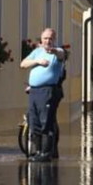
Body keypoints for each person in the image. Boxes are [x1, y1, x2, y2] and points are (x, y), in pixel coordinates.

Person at [20, 28, 66, 162]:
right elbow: (23, 64)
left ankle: (46, 152)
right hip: (33, 91)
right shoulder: (37, 52)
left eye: (50, 38)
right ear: (41, 39)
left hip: (47, 91)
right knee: (34, 121)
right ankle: (37, 151)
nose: (48, 41)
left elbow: (61, 55)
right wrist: (37, 61)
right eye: (45, 38)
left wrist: (55, 51)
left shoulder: (57, 52)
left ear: (54, 40)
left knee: (46, 122)